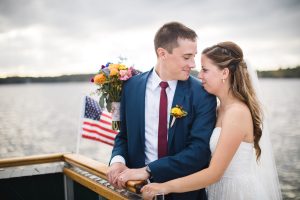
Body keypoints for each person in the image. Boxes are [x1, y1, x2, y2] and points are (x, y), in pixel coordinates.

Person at [141, 41, 282, 200]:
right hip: (217, 191)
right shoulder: (219, 109)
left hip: (236, 193)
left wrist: (164, 187)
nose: (199, 75)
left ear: (224, 73)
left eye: (205, 70)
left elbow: (214, 173)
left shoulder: (237, 113)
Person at [106, 22, 217, 200]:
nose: (193, 64)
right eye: (187, 57)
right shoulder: (131, 87)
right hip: (136, 192)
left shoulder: (202, 94)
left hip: (185, 194)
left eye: (193, 56)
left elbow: (200, 151)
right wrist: (117, 161)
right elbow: (124, 135)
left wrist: (148, 171)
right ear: (162, 53)